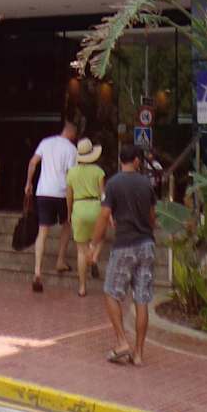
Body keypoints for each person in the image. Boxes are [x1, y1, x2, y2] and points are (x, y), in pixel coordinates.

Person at [88, 142, 157, 366]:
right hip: (146, 244)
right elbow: (152, 217)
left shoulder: (114, 184)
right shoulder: (146, 184)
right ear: (136, 161)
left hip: (124, 244)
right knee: (141, 299)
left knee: (111, 292)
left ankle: (121, 341)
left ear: (121, 160)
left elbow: (104, 215)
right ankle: (139, 353)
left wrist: (94, 243)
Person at [24, 118, 78, 292]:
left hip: (43, 191)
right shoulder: (71, 149)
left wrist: (29, 183)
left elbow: (33, 162)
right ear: (71, 133)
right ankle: (60, 260)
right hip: (61, 193)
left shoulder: (45, 142)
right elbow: (71, 175)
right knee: (67, 223)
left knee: (43, 232)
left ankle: (37, 272)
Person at [65, 136, 105, 297]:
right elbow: (103, 194)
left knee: (80, 251)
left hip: (79, 207)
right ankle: (94, 256)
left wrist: (69, 212)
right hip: (95, 207)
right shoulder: (98, 171)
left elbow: (69, 195)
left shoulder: (71, 172)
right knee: (100, 237)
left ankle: (82, 287)